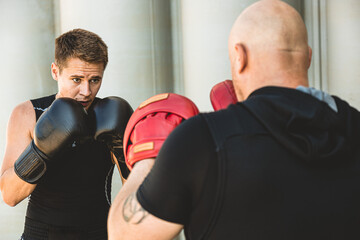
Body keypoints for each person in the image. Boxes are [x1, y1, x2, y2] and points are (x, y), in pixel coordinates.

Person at [107, 0, 360, 239]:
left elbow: (125, 233)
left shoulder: (203, 142)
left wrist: (148, 158)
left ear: (240, 57)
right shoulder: (353, 125)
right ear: (307, 57)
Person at [0, 28, 133, 240]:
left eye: (95, 80)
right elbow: (10, 196)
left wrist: (121, 151)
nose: (86, 91)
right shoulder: (28, 114)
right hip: (41, 234)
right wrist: (40, 150)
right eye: (76, 80)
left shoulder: (110, 116)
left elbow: (137, 194)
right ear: (55, 71)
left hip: (98, 233)